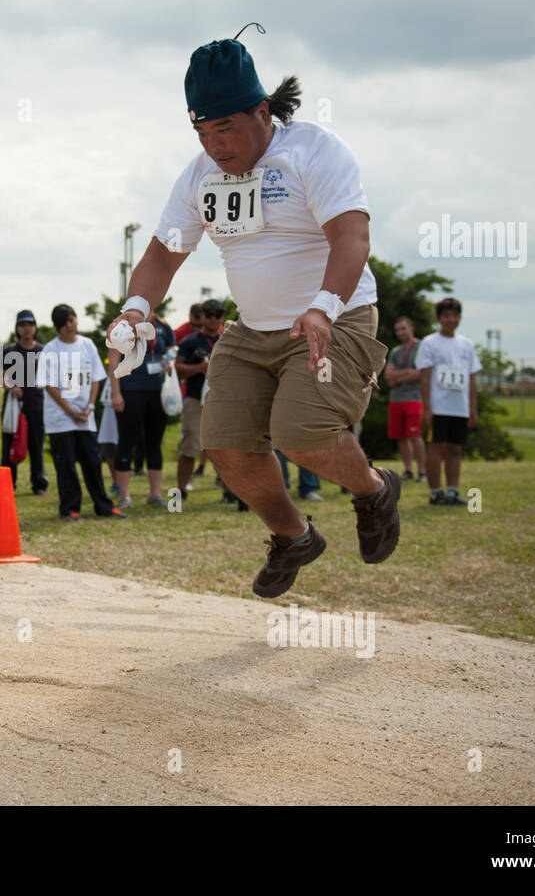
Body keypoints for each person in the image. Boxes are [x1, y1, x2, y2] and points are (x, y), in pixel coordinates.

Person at [107, 32, 399, 599]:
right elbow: (163, 254)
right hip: (255, 328)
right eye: (202, 132)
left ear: (263, 111)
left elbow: (352, 238)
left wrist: (323, 307)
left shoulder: (315, 151)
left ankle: (372, 490)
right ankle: (293, 537)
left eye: (225, 129)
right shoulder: (200, 176)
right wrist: (134, 313)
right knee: (225, 442)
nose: (215, 145)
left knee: (300, 433)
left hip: (335, 318)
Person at [41, 305, 126, 521]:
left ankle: (103, 506)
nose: (70, 325)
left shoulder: (87, 345)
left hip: (85, 416)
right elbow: (49, 385)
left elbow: (96, 377)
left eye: (72, 319)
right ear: (57, 327)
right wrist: (70, 411)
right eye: (64, 322)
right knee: (66, 464)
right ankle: (69, 509)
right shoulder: (51, 349)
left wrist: (89, 407)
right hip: (61, 418)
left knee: (92, 461)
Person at [416, 298, 482, 505]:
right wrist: (427, 407)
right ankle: (436, 492)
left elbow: (471, 378)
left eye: (455, 315)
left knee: (455, 449)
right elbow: (425, 376)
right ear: (438, 318)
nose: (451, 319)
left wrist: (473, 408)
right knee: (436, 447)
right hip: (438, 406)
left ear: (460, 318)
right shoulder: (429, 343)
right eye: (446, 316)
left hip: (459, 407)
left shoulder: (467, 344)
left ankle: (452, 490)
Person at [111, 312, 175, 508]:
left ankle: (155, 494)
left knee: (154, 442)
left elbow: (171, 352)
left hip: (157, 390)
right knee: (127, 441)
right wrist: (116, 393)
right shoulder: (122, 325)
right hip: (131, 390)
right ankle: (124, 495)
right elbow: (113, 360)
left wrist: (169, 362)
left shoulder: (163, 326)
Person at [173, 298, 223, 500]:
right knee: (190, 446)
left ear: (222, 317)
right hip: (194, 398)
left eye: (217, 315)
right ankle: (181, 490)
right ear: (201, 316)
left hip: (222, 400)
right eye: (208, 314)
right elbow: (177, 369)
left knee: (224, 447)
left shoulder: (228, 339)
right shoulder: (190, 342)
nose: (212, 319)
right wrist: (199, 369)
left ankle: (229, 490)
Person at [1, 310, 49, 495]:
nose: (27, 328)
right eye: (22, 325)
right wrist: (11, 387)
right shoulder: (10, 350)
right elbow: (2, 376)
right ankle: (8, 484)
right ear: (17, 328)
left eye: (30, 324)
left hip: (36, 404)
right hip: (13, 405)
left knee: (36, 445)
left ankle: (39, 484)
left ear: (35, 327)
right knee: (10, 445)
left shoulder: (43, 350)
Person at [384, 315, 427, 483]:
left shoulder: (422, 348)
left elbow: (421, 374)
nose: (400, 332)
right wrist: (408, 373)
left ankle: (422, 471)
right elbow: (388, 377)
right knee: (401, 436)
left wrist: (398, 376)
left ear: (411, 329)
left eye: (403, 328)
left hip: (414, 398)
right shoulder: (395, 351)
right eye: (397, 330)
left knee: (415, 434)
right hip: (396, 399)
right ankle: (408, 470)